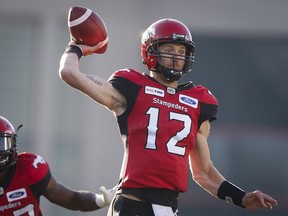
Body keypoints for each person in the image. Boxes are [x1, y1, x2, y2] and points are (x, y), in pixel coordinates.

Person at [58, 18, 278, 216]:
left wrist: (241, 198)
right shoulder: (132, 87)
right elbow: (70, 74)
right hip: (132, 205)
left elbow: (203, 172)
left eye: (181, 52)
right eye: (169, 49)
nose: (176, 56)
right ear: (150, 52)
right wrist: (75, 48)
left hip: (168, 208)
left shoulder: (200, 101)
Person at [0, 116, 115, 215]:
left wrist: (100, 200)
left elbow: (72, 199)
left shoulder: (29, 169)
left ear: (13, 143)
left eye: (1, 143)